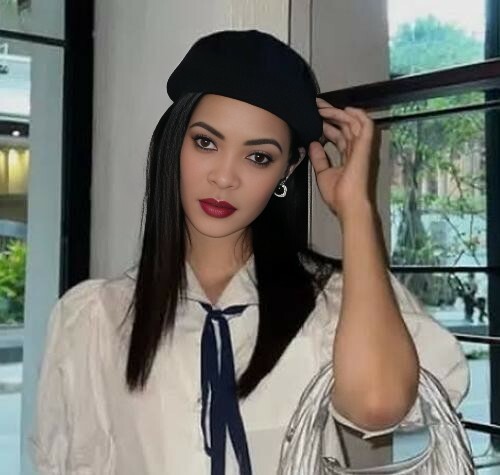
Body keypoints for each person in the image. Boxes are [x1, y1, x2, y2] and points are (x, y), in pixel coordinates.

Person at [30, 30, 469, 474]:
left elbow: (378, 406)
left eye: (258, 157)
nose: (225, 177)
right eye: (206, 142)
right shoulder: (95, 319)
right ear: (173, 140)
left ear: (288, 169)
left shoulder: (335, 306)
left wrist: (356, 211)